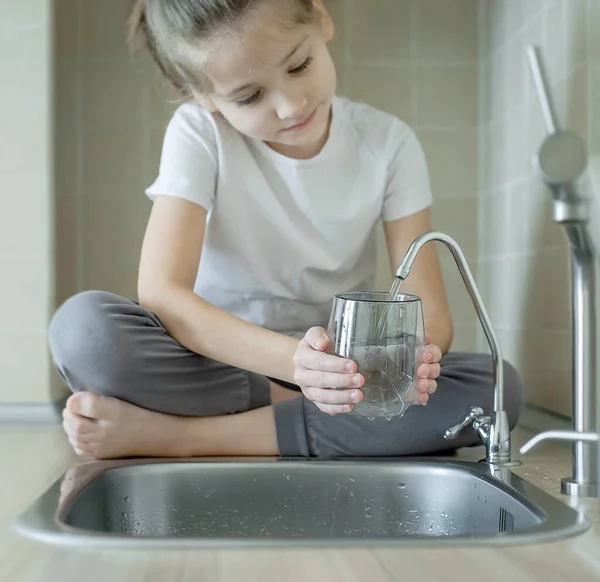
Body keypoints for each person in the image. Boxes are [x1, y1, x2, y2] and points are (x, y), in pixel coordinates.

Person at [48, 0, 524, 461]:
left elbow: (433, 317)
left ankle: (182, 436)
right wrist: (296, 367)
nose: (291, 105)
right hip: (223, 368)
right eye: (250, 96)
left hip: (346, 375)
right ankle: (308, 421)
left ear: (320, 17)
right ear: (201, 94)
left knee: (497, 389)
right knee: (86, 332)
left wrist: (414, 361)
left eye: (298, 66)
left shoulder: (389, 143)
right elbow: (162, 294)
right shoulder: (199, 133)